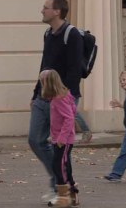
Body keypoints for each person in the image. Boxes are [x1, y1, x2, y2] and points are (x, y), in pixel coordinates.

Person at [29, 0, 86, 206]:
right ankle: (59, 180)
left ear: (57, 12)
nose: (42, 10)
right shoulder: (48, 34)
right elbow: (45, 64)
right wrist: (36, 92)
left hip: (62, 98)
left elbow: (75, 70)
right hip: (43, 97)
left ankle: (65, 188)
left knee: (61, 148)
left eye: (45, 7)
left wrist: (65, 96)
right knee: (35, 139)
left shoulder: (72, 35)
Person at [42, 70, 78, 207]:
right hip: (60, 139)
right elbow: (73, 110)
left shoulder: (59, 99)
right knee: (65, 166)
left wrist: (61, 138)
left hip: (63, 141)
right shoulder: (62, 96)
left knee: (58, 165)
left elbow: (69, 118)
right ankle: (72, 193)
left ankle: (64, 197)